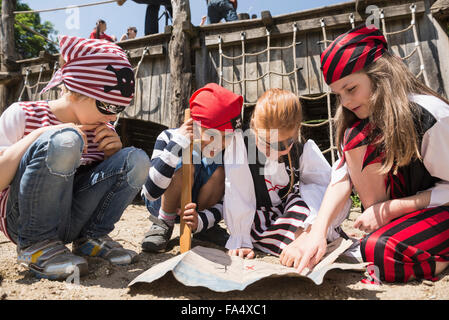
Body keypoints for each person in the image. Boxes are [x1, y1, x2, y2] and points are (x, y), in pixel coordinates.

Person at [280, 25, 449, 283]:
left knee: (377, 251)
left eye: (351, 89)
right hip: (411, 212)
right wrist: (316, 232)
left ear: (380, 75)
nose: (346, 102)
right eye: (339, 94)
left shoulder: (431, 115)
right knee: (372, 249)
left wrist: (392, 208)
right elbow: (340, 180)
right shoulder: (358, 123)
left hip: (441, 206)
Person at [0, 35, 150, 280]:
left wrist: (112, 156)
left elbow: (99, 186)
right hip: (24, 220)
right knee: (65, 139)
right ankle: (35, 246)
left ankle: (91, 239)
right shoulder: (23, 115)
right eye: (107, 107)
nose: (113, 118)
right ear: (77, 91)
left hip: (74, 219)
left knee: (136, 159)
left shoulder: (103, 130)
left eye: (119, 109)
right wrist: (41, 134)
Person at [185, 89, 350, 258]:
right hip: (259, 217)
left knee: (306, 200)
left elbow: (323, 186)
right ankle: (295, 241)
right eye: (274, 144)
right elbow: (237, 196)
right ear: (256, 128)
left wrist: (313, 225)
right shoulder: (241, 149)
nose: (284, 150)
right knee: (262, 222)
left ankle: (306, 237)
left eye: (289, 142)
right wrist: (240, 240)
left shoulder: (301, 151)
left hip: (291, 212)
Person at [140, 83, 242, 252]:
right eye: (214, 136)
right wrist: (176, 146)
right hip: (162, 203)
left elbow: (228, 201)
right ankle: (164, 223)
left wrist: (201, 221)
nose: (222, 143)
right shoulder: (168, 138)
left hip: (198, 211)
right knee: (185, 165)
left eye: (228, 137)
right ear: (196, 126)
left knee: (219, 171)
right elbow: (150, 192)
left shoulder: (227, 151)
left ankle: (204, 230)